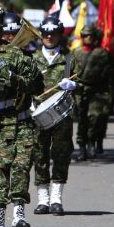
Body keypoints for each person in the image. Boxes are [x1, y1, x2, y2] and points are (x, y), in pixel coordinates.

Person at [0, 5, 43, 227]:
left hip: (15, 119)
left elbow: (37, 85)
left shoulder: (16, 55)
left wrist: (15, 78)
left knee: (13, 169)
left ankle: (9, 217)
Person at [32, 16, 76, 215]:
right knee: (39, 154)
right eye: (46, 33)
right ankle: (43, 199)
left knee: (61, 153)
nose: (49, 37)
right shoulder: (32, 59)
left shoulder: (69, 58)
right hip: (37, 114)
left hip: (61, 116)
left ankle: (57, 198)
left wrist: (75, 85)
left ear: (60, 35)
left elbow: (84, 83)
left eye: (54, 33)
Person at [72, 26, 114, 160]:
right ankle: (82, 147)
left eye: (91, 35)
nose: (88, 38)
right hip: (79, 91)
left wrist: (111, 94)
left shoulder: (103, 53)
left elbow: (111, 75)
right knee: (81, 120)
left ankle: (92, 141)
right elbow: (67, 72)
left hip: (98, 91)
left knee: (94, 118)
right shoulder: (74, 53)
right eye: (85, 35)